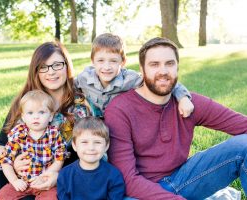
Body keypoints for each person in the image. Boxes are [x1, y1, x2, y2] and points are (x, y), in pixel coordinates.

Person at [104, 37, 247, 199]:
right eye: (154, 64)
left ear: (177, 68)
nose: (163, 71)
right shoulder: (119, 110)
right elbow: (128, 180)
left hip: (182, 180)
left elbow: (243, 125)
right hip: (138, 193)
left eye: (169, 63)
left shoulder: (189, 103)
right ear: (142, 70)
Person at [0, 41, 89, 200]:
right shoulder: (27, 101)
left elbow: (90, 155)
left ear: (67, 66)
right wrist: (12, 164)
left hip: (56, 178)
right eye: (43, 67)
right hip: (15, 173)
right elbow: (0, 145)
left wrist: (58, 175)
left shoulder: (82, 107)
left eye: (57, 65)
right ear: (36, 71)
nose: (51, 72)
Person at [75, 33, 194, 118]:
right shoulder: (84, 78)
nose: (106, 67)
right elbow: (66, 88)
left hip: (120, 125)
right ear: (92, 61)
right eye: (100, 61)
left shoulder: (130, 79)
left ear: (122, 62)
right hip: (94, 130)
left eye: (113, 61)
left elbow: (161, 81)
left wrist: (183, 98)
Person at [0, 90, 67, 200]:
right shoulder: (19, 134)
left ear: (51, 116)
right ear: (23, 117)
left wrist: (45, 176)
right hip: (22, 181)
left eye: (42, 112)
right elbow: (6, 161)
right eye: (30, 113)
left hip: (44, 182)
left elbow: (59, 159)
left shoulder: (54, 134)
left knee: (52, 197)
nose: (36, 117)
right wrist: (14, 181)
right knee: (4, 195)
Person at [57, 116, 125, 200]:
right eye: (84, 142)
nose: (91, 148)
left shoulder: (114, 175)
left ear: (106, 146)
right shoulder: (64, 175)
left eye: (97, 142)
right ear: (74, 145)